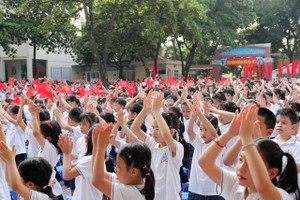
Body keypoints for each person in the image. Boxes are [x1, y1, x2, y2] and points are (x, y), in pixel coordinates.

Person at [199, 105, 300, 200]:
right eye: (241, 160)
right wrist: (229, 134)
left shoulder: (281, 195)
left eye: (251, 165)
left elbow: (263, 186)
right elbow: (204, 162)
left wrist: (246, 138)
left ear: (272, 173)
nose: (241, 169)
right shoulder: (236, 184)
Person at [131, 91, 184, 200]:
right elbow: (134, 129)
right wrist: (145, 110)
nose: (154, 132)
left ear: (172, 132)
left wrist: (156, 111)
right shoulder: (153, 144)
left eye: (158, 128)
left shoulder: (176, 147)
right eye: (153, 128)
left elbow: (165, 134)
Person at [92, 122, 155, 200]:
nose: (115, 169)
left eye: (119, 166)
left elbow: (97, 181)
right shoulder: (131, 181)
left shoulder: (131, 193)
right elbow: (98, 174)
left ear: (133, 172)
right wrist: (95, 146)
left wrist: (101, 148)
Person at [58, 127, 104, 200]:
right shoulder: (95, 158)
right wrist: (67, 151)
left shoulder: (90, 160)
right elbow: (71, 166)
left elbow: (66, 175)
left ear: (86, 139)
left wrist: (66, 153)